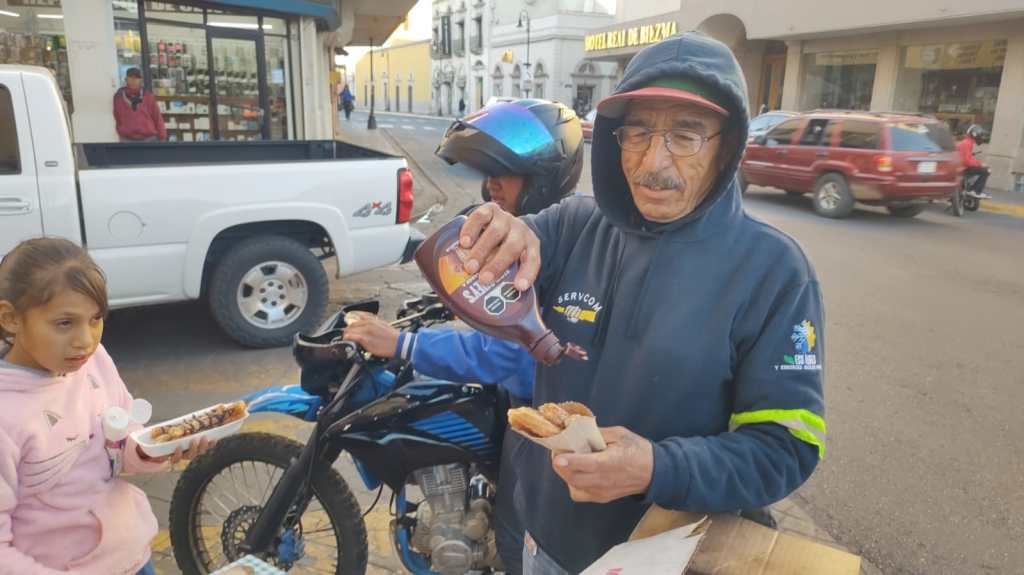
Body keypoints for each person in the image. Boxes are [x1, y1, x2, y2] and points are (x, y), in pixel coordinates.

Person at [454, 32, 826, 573]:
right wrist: (485, 231)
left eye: (686, 134)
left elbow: (786, 446)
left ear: (728, 144)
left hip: (667, 554)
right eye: (638, 133)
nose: (655, 161)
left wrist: (657, 467)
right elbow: (467, 261)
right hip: (543, 539)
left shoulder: (774, 272)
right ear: (613, 140)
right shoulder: (572, 224)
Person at [343, 98, 584, 574]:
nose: (492, 183)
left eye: (505, 173)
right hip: (511, 404)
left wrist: (405, 345)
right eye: (489, 172)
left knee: (518, 536)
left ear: (542, 180)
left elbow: (510, 356)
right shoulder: (511, 232)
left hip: (539, 425)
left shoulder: (559, 245)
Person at [0, 237, 211, 575]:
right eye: (64, 323)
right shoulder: (6, 416)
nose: (85, 339)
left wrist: (152, 450)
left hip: (133, 558)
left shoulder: (92, 361)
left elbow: (119, 440)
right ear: (10, 319)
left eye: (95, 319)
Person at [113, 68, 166, 142]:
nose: (134, 80)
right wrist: (121, 132)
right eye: (131, 77)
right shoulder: (118, 97)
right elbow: (117, 116)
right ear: (126, 79)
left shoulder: (148, 96)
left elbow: (157, 117)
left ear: (140, 80)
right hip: (126, 139)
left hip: (149, 139)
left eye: (137, 78)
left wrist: (162, 136)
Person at [957, 124, 991, 199]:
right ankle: (975, 190)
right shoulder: (967, 143)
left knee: (981, 169)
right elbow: (966, 161)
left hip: (961, 167)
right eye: (980, 135)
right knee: (987, 170)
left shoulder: (967, 142)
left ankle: (971, 189)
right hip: (962, 168)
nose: (981, 138)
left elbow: (967, 158)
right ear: (975, 134)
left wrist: (977, 163)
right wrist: (980, 164)